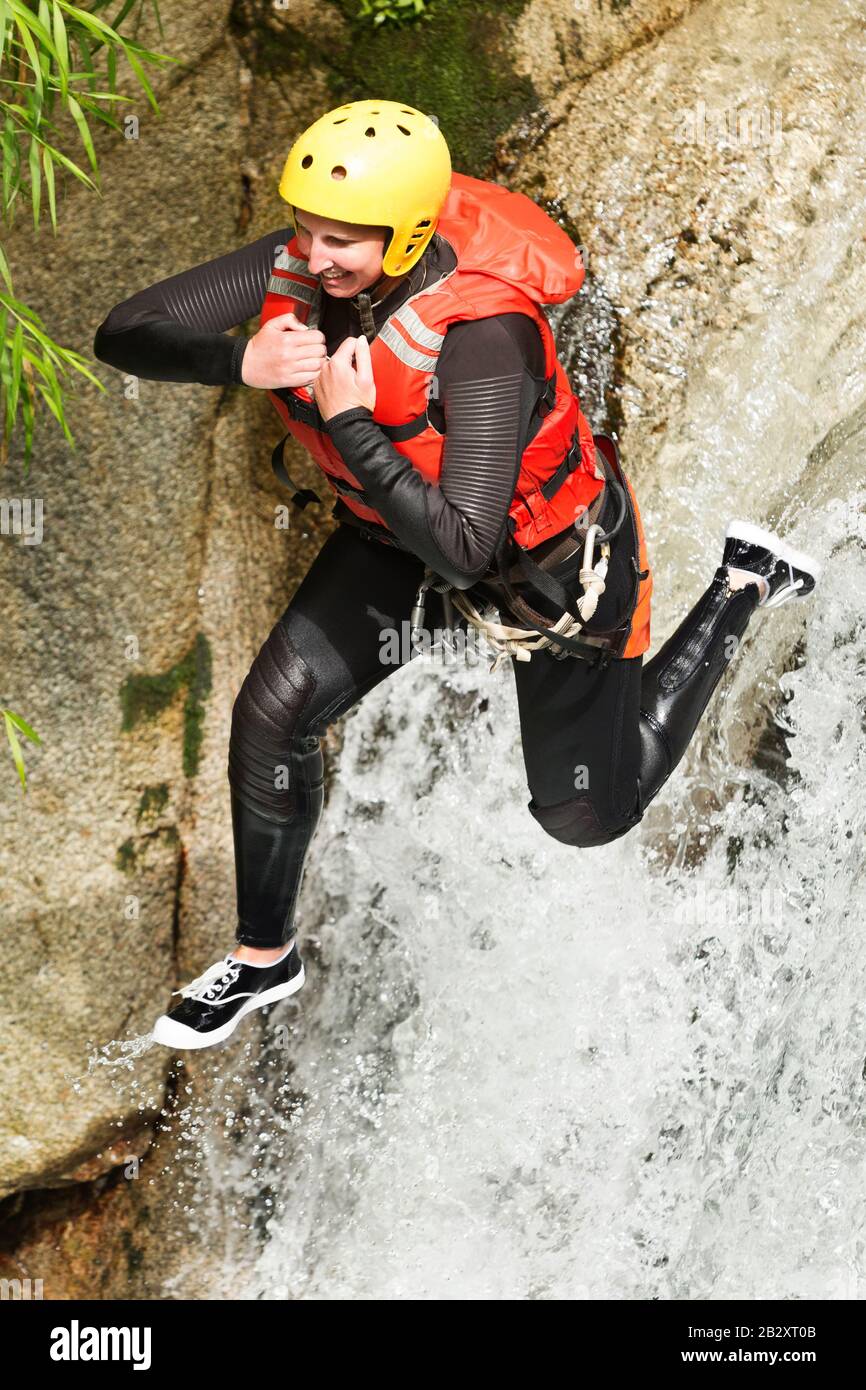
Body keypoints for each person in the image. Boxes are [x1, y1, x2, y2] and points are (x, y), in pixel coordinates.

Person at [93, 100, 820, 1051]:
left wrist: (349, 421)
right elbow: (124, 330)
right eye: (305, 228)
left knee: (586, 815)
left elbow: (467, 547)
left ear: (408, 235)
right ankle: (264, 961)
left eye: (341, 241)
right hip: (392, 531)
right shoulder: (302, 256)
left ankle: (743, 585)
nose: (314, 256)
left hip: (546, 566)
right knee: (270, 715)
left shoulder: (485, 335)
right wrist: (242, 360)